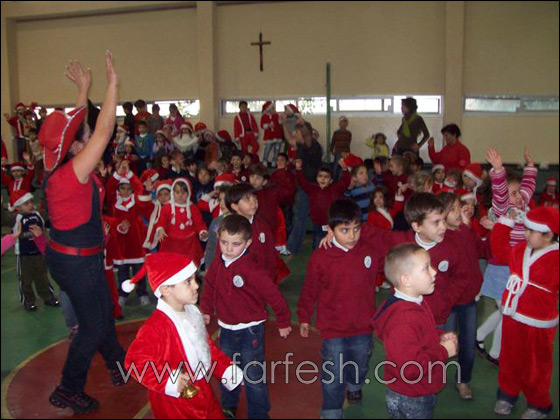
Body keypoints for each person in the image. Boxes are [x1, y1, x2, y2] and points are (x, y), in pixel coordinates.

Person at [41, 52, 126, 414]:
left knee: (102, 312)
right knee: (93, 325)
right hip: (78, 263)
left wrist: (83, 90)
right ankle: (68, 388)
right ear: (77, 146)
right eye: (84, 135)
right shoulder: (73, 172)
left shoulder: (63, 165)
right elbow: (103, 133)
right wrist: (112, 86)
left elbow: (76, 132)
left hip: (72, 258)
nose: (90, 134)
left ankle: (118, 363)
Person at [124, 252, 244, 419]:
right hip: (174, 403)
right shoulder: (155, 327)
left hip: (202, 389)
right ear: (166, 289)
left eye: (194, 279)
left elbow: (205, 348)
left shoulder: (192, 312)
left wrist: (226, 369)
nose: (196, 286)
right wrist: (169, 380)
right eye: (188, 281)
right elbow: (135, 361)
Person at [200, 214, 291, 420]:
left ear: (248, 243)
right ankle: (228, 405)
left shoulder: (251, 269)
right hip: (226, 329)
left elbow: (273, 294)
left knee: (253, 375)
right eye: (224, 242)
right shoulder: (218, 264)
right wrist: (205, 310)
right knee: (227, 370)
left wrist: (283, 320)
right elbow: (209, 287)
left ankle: (259, 414)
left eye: (236, 244)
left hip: (251, 330)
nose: (228, 249)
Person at [298, 199, 377, 418]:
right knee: (332, 373)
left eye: (356, 229)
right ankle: (331, 410)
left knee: (360, 363)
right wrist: (304, 316)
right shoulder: (321, 257)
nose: (352, 236)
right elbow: (310, 289)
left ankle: (354, 384)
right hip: (332, 328)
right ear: (331, 230)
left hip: (363, 326)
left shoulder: (369, 251)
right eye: (344, 230)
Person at [372, 243, 458, 419]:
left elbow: (420, 334)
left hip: (415, 391)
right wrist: (443, 351)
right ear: (406, 280)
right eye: (426, 268)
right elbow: (410, 368)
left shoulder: (414, 301)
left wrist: (439, 336)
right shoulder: (403, 319)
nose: (434, 271)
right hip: (412, 396)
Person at [491, 207, 559, 419]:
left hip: (539, 321)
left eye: (531, 231)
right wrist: (504, 225)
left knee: (536, 364)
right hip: (513, 313)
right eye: (526, 229)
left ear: (548, 235)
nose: (525, 234)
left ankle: (539, 404)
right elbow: (499, 250)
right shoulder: (520, 249)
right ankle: (507, 394)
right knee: (510, 356)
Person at [9, 190, 59, 312]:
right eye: (26, 204)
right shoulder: (16, 218)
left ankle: (48, 297)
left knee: (42, 277)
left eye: (31, 202)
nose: (30, 205)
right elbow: (5, 220)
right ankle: (29, 300)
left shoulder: (38, 215)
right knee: (25, 280)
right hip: (23, 255)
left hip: (39, 253)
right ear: (18, 207)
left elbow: (49, 217)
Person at [295, 159, 351, 249]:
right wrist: (298, 169)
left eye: (326, 177)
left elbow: (345, 181)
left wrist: (345, 169)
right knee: (317, 246)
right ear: (316, 178)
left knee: (332, 247)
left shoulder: (335, 189)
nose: (323, 179)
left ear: (331, 180)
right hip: (317, 225)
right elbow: (302, 182)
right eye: (320, 176)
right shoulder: (312, 189)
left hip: (332, 225)